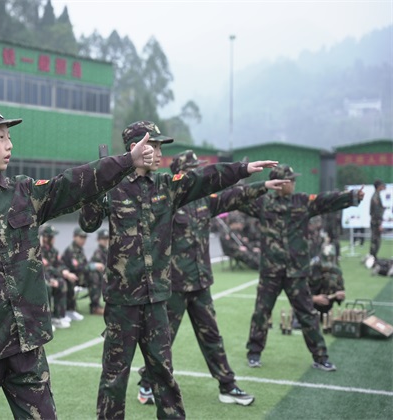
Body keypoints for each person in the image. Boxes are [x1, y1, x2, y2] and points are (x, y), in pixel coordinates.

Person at [0, 104, 155, 419]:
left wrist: (127, 161)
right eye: (0, 136)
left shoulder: (25, 193)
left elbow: (75, 182)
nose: (9, 144)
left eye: (9, 137)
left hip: (26, 343)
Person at [79, 120, 278, 419]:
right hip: (123, 301)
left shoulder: (166, 187)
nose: (160, 153)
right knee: (113, 378)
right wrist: (99, 183)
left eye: (161, 146)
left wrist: (242, 170)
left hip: (159, 297)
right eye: (154, 145)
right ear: (136, 148)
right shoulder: (113, 188)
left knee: (164, 375)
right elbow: (88, 223)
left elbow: (205, 178)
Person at [136, 150, 289, 408]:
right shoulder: (167, 200)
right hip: (174, 285)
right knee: (163, 340)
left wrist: (262, 185)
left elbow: (234, 196)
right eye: (193, 169)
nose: (198, 173)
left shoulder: (206, 201)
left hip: (201, 283)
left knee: (212, 337)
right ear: (181, 173)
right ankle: (147, 384)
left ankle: (227, 386)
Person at [239, 164, 364, 372]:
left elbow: (326, 201)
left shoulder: (302, 202)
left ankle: (321, 357)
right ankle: (254, 353)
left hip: (296, 272)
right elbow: (238, 199)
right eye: (291, 180)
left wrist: (351, 197)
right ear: (279, 184)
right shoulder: (263, 204)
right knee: (261, 313)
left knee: (307, 314)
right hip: (271, 271)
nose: (294, 183)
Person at [62, 227, 105, 318]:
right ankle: (94, 307)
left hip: (79, 276)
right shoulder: (71, 250)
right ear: (74, 237)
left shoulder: (80, 249)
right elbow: (77, 267)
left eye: (84, 238)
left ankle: (95, 305)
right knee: (94, 275)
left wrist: (92, 266)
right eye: (81, 237)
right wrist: (93, 266)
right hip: (72, 276)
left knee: (96, 274)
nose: (83, 240)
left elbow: (83, 264)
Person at [39, 224, 70, 329]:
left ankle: (57, 316)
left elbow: (59, 264)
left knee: (61, 283)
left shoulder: (53, 251)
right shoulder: (38, 251)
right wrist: (50, 279)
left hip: (50, 277)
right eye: (52, 237)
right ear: (46, 238)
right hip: (39, 279)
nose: (54, 239)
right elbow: (41, 269)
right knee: (46, 286)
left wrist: (64, 271)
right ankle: (45, 320)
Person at [87, 228, 109, 315]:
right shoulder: (98, 252)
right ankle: (95, 307)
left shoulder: (107, 251)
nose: (105, 241)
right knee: (95, 276)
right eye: (103, 239)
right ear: (99, 240)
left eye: (107, 238)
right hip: (96, 276)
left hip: (105, 275)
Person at [369, 179, 385, 260]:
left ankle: (373, 257)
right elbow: (376, 212)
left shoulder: (377, 196)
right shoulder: (376, 197)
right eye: (381, 185)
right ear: (378, 187)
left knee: (375, 240)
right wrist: (379, 224)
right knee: (376, 240)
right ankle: (372, 257)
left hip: (375, 221)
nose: (383, 187)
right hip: (376, 222)